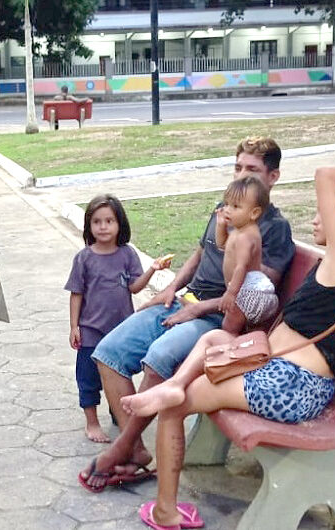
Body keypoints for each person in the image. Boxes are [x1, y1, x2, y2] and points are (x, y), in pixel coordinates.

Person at [122, 167, 335, 529]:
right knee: (212, 339)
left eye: (323, 215)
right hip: (285, 372)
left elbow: (323, 174)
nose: (314, 220)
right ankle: (173, 386)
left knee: (174, 409)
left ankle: (165, 509)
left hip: (292, 385)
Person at [79, 137, 294, 491]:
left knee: (158, 359)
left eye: (251, 170)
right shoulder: (225, 206)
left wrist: (199, 308)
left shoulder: (273, 228)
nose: (241, 176)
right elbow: (199, 253)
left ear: (273, 177)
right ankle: (134, 450)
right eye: (237, 167)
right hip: (184, 303)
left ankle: (120, 447)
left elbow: (255, 291)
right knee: (108, 351)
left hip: (216, 319)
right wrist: (171, 289)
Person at [65, 195, 172, 443]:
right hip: (91, 331)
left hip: (120, 331)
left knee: (118, 374)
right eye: (97, 222)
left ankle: (118, 413)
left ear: (119, 224)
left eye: (109, 221)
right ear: (89, 226)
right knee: (88, 379)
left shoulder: (127, 254)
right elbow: (76, 294)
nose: (103, 227)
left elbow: (134, 287)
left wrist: (152, 270)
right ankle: (91, 422)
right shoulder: (84, 258)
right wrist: (74, 326)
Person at [214, 175, 278, 334]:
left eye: (235, 206)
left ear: (254, 213)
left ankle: (232, 354)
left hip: (247, 292)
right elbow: (222, 244)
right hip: (252, 291)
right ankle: (254, 351)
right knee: (251, 330)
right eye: (227, 204)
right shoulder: (239, 230)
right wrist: (221, 225)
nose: (228, 209)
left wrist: (231, 293)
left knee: (229, 328)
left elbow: (241, 267)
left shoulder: (245, 237)